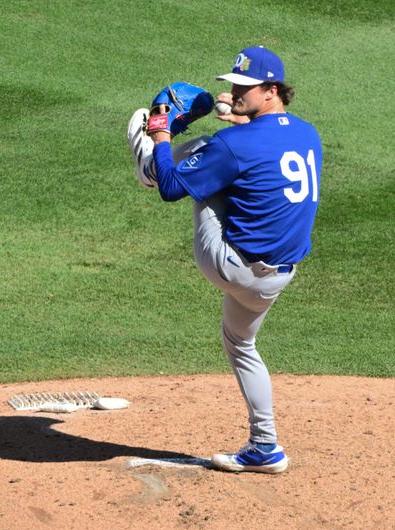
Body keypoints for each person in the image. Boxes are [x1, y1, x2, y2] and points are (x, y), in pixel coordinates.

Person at [145, 46, 322, 474]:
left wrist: (161, 135)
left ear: (272, 89)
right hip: (277, 280)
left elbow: (172, 190)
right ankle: (265, 447)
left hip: (229, 265)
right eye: (234, 85)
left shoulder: (232, 143)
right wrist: (241, 125)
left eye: (245, 86)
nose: (235, 91)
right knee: (240, 343)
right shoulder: (307, 133)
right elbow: (262, 148)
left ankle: (144, 165)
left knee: (198, 163)